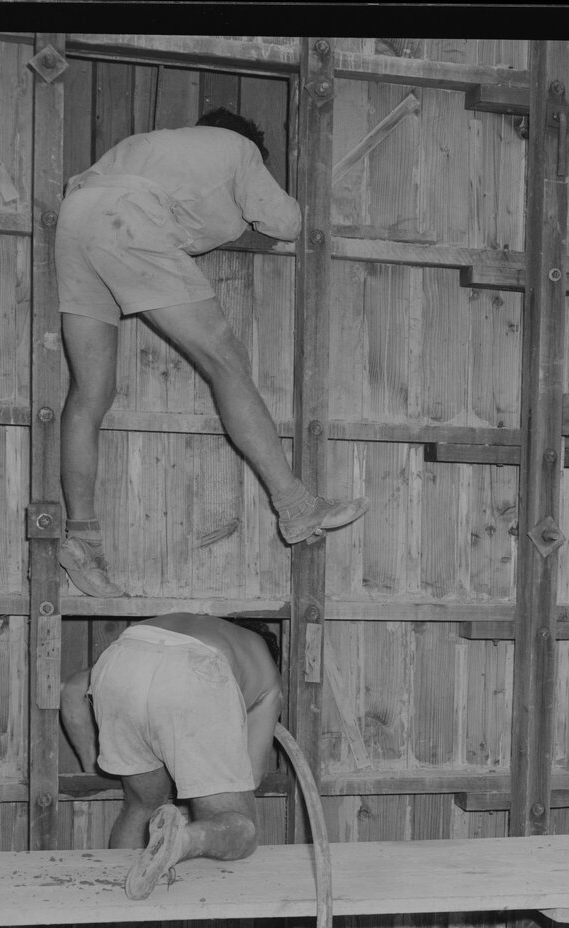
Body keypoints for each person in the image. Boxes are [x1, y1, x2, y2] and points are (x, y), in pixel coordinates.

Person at [55, 108, 367, 597]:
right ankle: (296, 505)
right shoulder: (238, 148)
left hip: (73, 220)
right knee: (227, 361)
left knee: (90, 393)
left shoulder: (150, 145)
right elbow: (286, 222)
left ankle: (82, 540)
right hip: (128, 220)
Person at [60, 614, 282, 928]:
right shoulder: (266, 671)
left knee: (141, 805)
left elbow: (72, 690)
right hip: (194, 673)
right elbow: (252, 775)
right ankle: (182, 841)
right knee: (242, 829)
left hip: (121, 662)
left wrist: (92, 765)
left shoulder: (184, 625)